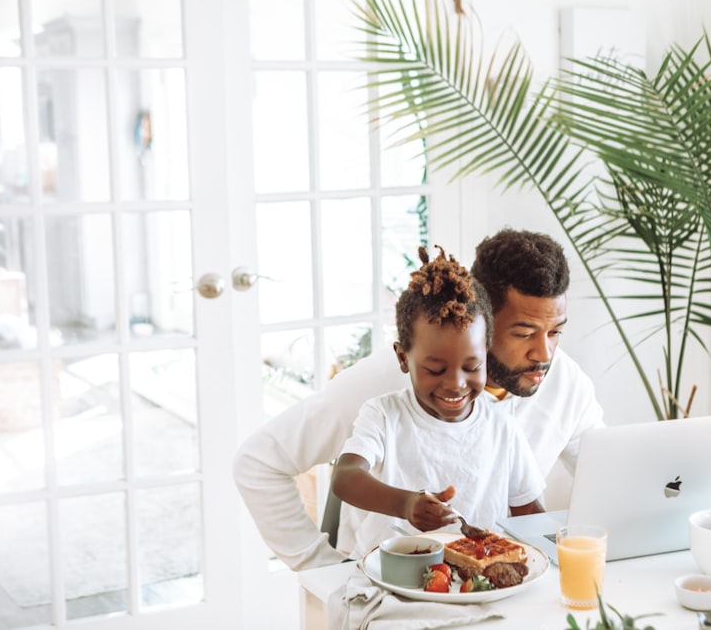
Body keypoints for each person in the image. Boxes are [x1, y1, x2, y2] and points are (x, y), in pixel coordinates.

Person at [233, 228, 605, 570]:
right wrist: (324, 571)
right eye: (524, 333)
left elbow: (606, 479)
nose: (544, 353)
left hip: (483, 586)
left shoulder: (564, 383)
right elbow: (259, 462)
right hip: (385, 579)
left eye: (555, 332)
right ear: (483, 318)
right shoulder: (385, 384)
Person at [331, 246, 545, 558]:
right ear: (403, 357)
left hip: (474, 583)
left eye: (472, 367)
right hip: (389, 575)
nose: (456, 383)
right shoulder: (384, 415)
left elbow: (529, 510)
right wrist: (406, 504)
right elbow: (345, 477)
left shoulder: (501, 424)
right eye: (435, 369)